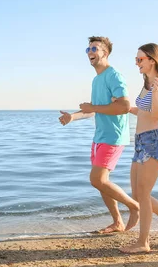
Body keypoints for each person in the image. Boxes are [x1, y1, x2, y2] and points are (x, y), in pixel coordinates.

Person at [59, 36, 140, 233]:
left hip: (113, 136)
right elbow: (94, 110)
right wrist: (73, 117)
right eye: (87, 50)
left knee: (98, 179)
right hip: (99, 136)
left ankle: (134, 207)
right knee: (101, 183)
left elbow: (124, 106)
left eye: (94, 48)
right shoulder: (97, 80)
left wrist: (92, 106)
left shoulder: (114, 76)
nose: (90, 52)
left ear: (105, 53)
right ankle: (117, 222)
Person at [120, 43, 158, 254]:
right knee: (138, 194)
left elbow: (156, 114)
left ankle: (143, 242)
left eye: (140, 59)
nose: (136, 63)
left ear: (152, 60)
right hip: (140, 142)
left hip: (153, 141)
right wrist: (125, 108)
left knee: (143, 194)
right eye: (136, 60)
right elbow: (143, 112)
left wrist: (155, 92)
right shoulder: (147, 82)